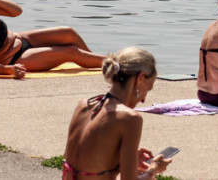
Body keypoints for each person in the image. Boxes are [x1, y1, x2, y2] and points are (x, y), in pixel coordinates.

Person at [63, 47, 171, 180]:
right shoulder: (129, 118)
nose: (143, 100)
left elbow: (85, 166)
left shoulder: (84, 105)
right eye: (147, 89)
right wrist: (154, 169)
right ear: (140, 78)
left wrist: (124, 161)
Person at [0, 0, 105, 79]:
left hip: (22, 38)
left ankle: (94, 62)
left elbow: (17, 11)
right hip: (14, 58)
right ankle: (113, 62)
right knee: (70, 52)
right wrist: (10, 70)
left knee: (69, 33)